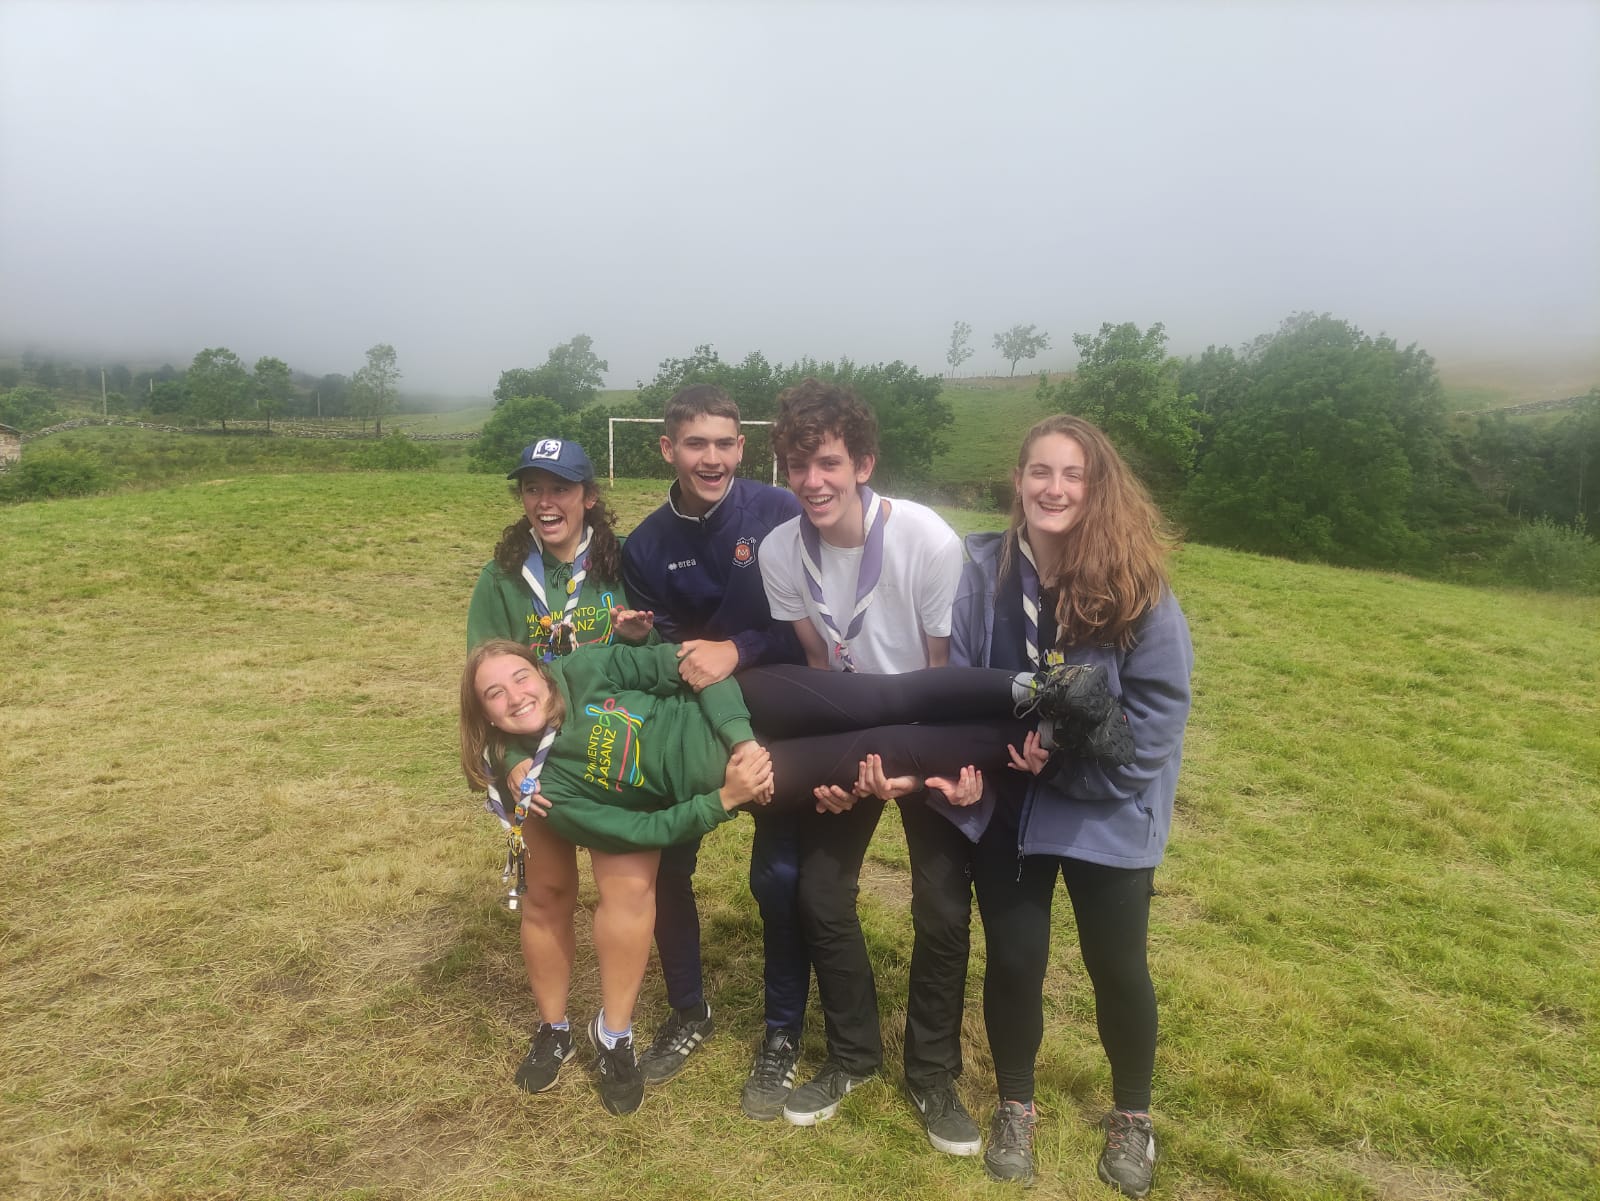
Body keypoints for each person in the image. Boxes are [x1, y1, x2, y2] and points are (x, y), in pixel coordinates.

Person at [460, 639, 1102, 1117]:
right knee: (884, 745)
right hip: (750, 777)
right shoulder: (547, 792)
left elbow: (690, 668)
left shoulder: (582, 670)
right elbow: (639, 832)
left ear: (540, 671)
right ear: (485, 716)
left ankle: (1042, 688)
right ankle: (1053, 735)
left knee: (888, 695)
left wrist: (738, 737)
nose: (517, 695)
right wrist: (727, 797)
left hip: (745, 705)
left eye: (520, 676)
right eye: (496, 694)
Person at [950, 414, 1194, 1196]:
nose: (1053, 488)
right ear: (1018, 480)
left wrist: (1068, 766)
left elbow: (1158, 715)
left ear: (1095, 488)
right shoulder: (984, 571)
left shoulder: (1135, 583)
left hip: (1105, 807)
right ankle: (1016, 1105)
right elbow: (963, 684)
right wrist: (990, 758)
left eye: (1072, 475)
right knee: (1015, 958)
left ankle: (1132, 1117)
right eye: (1040, 471)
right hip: (1012, 805)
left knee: (1116, 964)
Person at [757, 377, 986, 1153]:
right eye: (798, 464)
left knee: (942, 906)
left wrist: (912, 775)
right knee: (819, 893)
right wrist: (838, 767)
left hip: (930, 733)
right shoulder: (781, 551)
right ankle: (853, 1055)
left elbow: (943, 678)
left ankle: (932, 1072)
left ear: (863, 463)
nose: (812, 481)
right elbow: (821, 669)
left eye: (827, 462)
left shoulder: (927, 540)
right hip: (850, 732)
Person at [618, 384, 812, 1117]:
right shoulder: (645, 545)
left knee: (778, 876)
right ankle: (688, 1009)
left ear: (742, 446)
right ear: (667, 448)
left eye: (725, 443)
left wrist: (739, 648)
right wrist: (651, 644)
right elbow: (670, 653)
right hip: (694, 724)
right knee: (668, 864)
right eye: (696, 443)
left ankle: (783, 1032)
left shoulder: (779, 511)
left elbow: (808, 620)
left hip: (783, 711)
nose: (712, 458)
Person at [463, 436, 655, 1112]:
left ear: (588, 496)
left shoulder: (626, 564)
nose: (545, 501)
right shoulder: (503, 577)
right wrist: (511, 761)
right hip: (537, 760)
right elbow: (483, 681)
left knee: (626, 892)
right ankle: (554, 1029)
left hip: (611, 749)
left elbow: (660, 658)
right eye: (532, 488)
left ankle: (617, 1035)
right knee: (546, 895)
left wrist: (638, 638)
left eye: (560, 488)